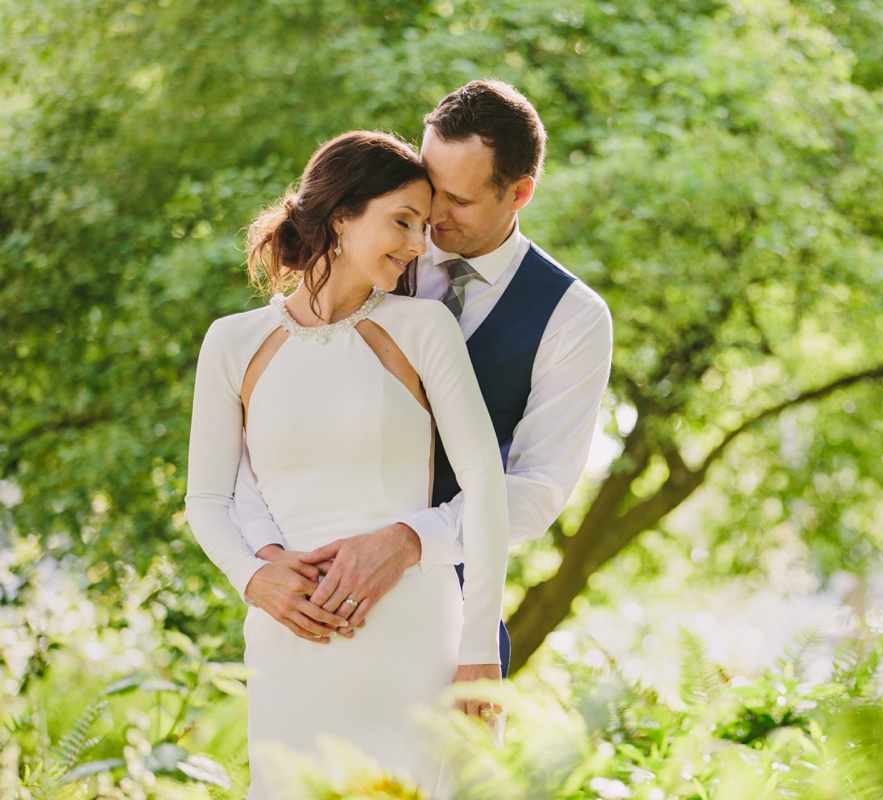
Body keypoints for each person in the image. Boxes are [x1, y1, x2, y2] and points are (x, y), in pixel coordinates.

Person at [231, 80, 614, 676]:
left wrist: (410, 539)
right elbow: (267, 422)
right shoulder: (368, 255)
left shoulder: (572, 318)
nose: (431, 217)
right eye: (429, 188)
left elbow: (537, 489)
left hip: (451, 616)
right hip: (306, 608)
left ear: (519, 193)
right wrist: (262, 560)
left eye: (457, 200)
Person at [184, 130, 509, 799]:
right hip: (289, 640)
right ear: (340, 217)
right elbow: (207, 500)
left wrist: (480, 651)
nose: (419, 245)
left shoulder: (423, 330)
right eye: (402, 221)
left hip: (414, 636)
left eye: (423, 227)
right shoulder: (233, 343)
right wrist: (252, 579)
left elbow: (485, 486)